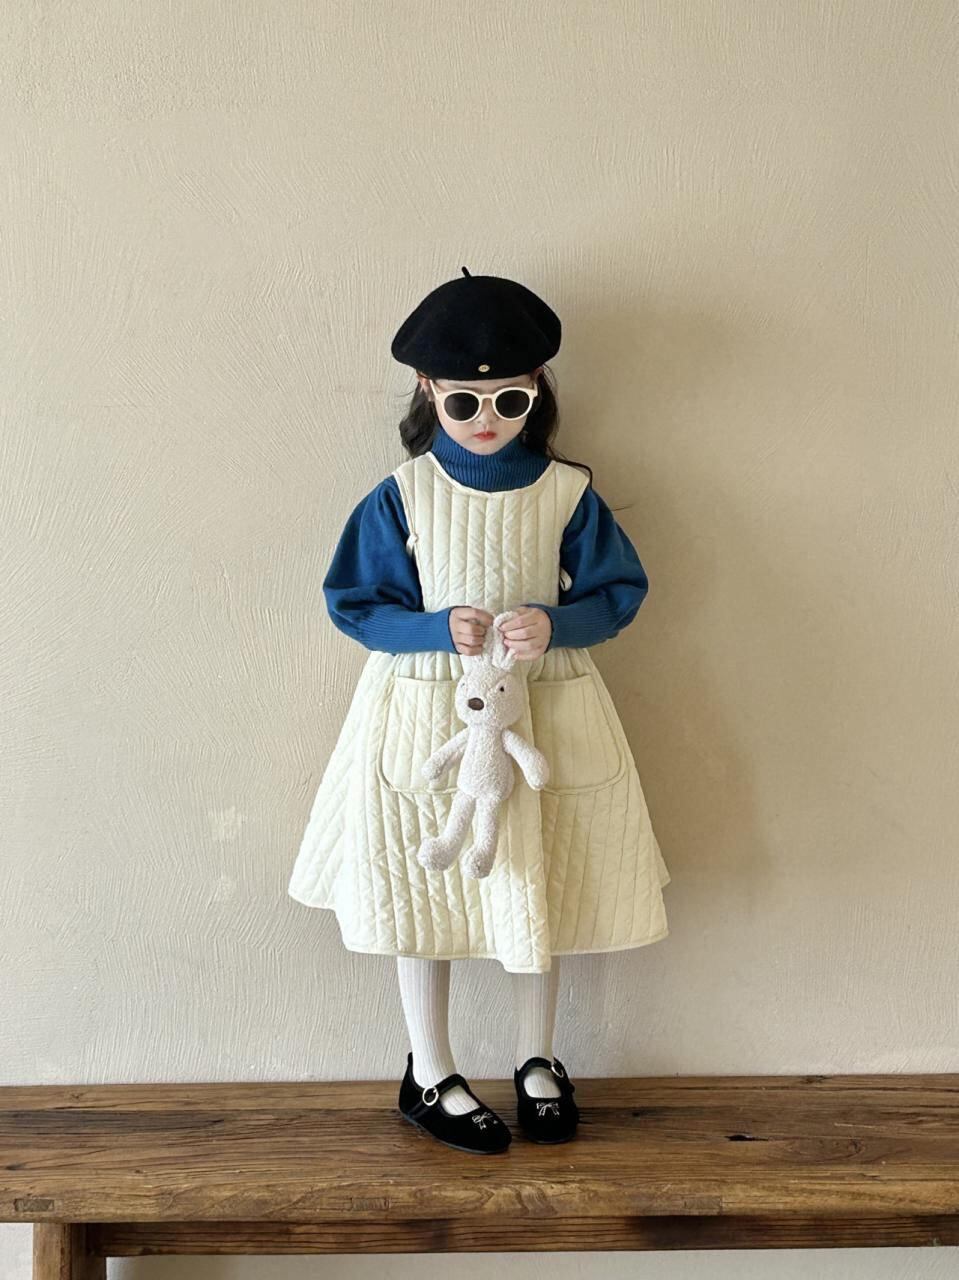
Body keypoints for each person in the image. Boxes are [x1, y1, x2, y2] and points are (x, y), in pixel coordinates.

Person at [287, 267, 671, 1154]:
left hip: (548, 708)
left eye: (509, 400)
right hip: (424, 715)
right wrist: (431, 628)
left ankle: (538, 1058)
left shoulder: (565, 491)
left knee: (544, 879)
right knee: (420, 886)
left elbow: (618, 591)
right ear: (429, 391)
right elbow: (354, 602)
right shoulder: (403, 493)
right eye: (464, 402)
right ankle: (429, 1069)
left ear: (536, 389)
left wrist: (558, 621)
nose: (487, 419)